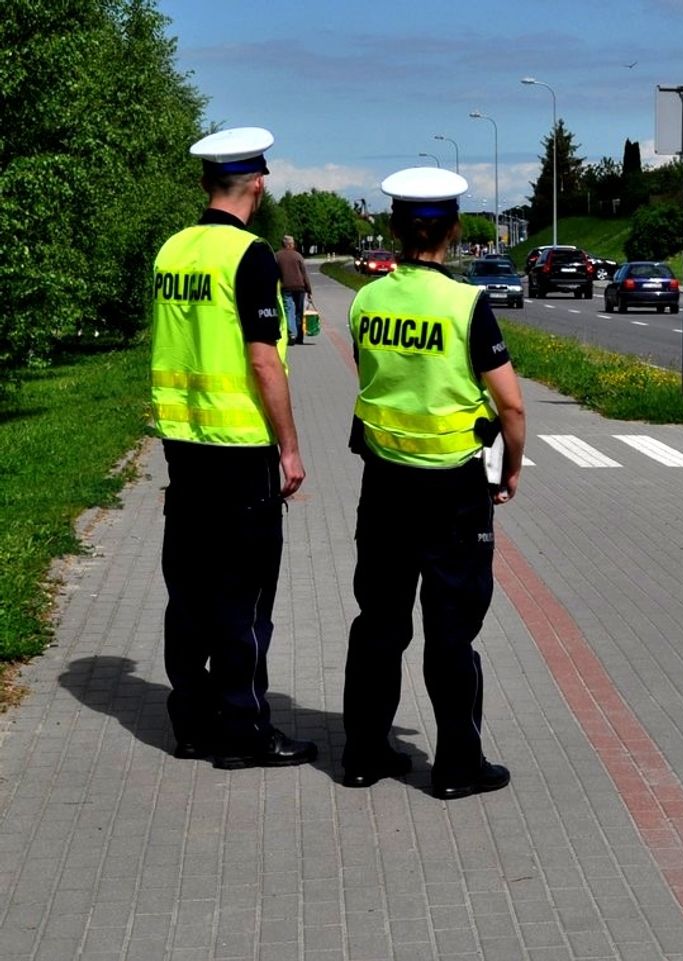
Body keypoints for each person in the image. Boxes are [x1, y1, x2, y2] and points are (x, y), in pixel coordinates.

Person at [342, 166, 526, 798]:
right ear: (452, 230)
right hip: (453, 492)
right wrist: (513, 467)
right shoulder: (466, 304)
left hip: (384, 483)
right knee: (451, 632)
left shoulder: (367, 301)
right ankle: (456, 766)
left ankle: (364, 754)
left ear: (395, 228)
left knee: (378, 623)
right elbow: (512, 408)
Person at [151, 126, 317, 770]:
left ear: (203, 183)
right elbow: (263, 361)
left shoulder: (172, 251)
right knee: (243, 599)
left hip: (183, 446)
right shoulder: (248, 256)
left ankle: (191, 724)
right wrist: (291, 448)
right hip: (241, 451)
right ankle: (245, 731)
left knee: (188, 592)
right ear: (258, 183)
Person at [276, 234, 312, 345]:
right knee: (299, 312)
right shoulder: (298, 256)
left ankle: (292, 333)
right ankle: (299, 337)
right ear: (291, 244)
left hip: (286, 287)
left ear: (283, 244)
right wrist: (309, 289)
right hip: (300, 288)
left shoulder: (277, 256)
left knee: (289, 310)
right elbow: (304, 274)